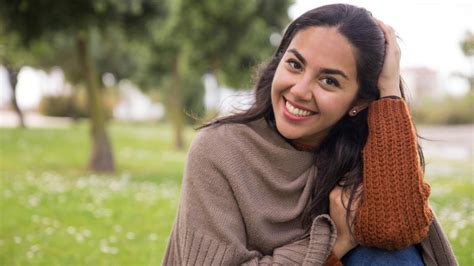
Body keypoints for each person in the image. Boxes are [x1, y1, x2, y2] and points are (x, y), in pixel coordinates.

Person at [163, 4, 457, 265]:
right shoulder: (219, 150)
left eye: (329, 81)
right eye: (294, 64)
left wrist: (389, 91)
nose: (300, 91)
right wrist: (337, 244)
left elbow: (398, 228)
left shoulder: (364, 151)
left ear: (359, 101)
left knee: (388, 252)